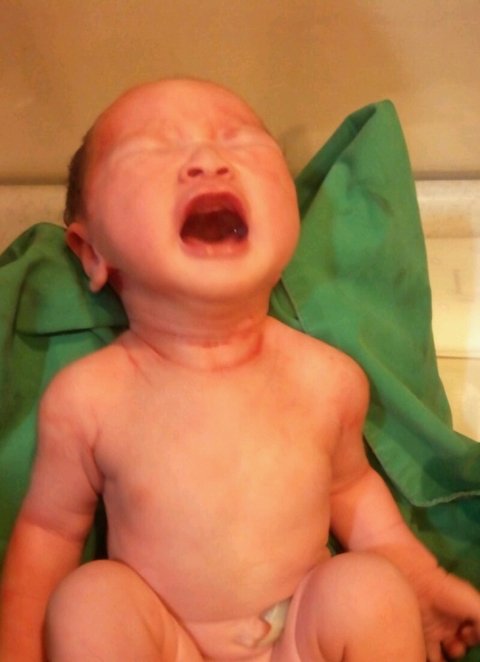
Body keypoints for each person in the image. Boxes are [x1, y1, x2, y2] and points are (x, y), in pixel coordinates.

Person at [1, 78, 480, 662]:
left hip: (298, 641)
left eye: (240, 140)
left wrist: (420, 581)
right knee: (88, 600)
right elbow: (48, 535)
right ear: (93, 253)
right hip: (163, 645)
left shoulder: (326, 379)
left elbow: (352, 492)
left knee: (369, 589)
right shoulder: (89, 398)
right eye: (153, 149)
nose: (208, 160)